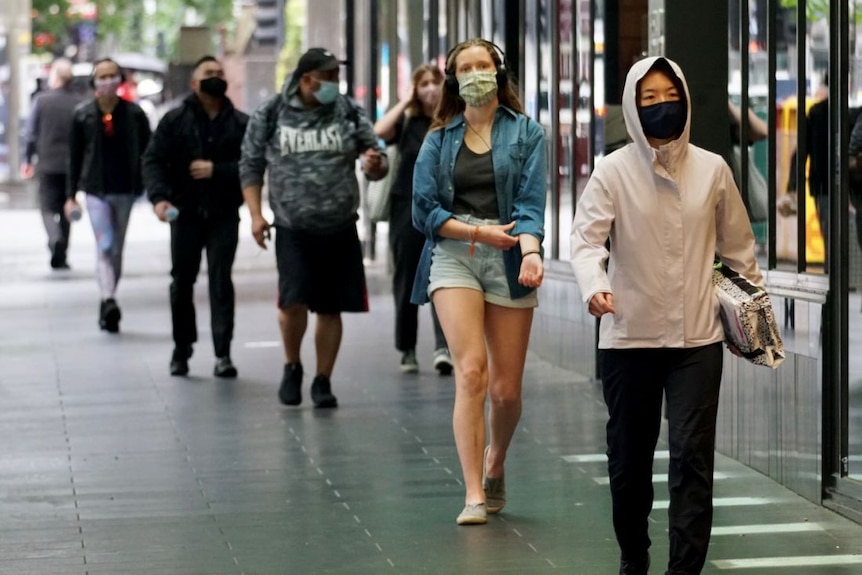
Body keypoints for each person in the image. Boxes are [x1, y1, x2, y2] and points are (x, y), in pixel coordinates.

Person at [570, 57, 762, 574]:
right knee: (630, 463)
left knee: (692, 460)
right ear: (633, 108)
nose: (660, 106)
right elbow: (586, 241)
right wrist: (595, 287)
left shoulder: (713, 169)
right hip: (629, 336)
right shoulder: (612, 170)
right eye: (648, 99)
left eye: (668, 95)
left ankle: (684, 570)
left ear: (685, 99)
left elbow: (740, 249)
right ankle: (635, 555)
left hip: (696, 340)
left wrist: (753, 314)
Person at [411, 39, 546, 525]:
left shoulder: (528, 134)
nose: (474, 75)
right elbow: (422, 211)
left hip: (510, 256)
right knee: (471, 372)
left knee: (506, 392)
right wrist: (475, 232)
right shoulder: (438, 139)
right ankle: (472, 493)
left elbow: (531, 206)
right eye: (464, 69)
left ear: (499, 71)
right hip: (454, 255)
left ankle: (495, 461)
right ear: (454, 80)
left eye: (481, 66)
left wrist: (530, 253)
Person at [239, 47, 388, 408]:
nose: (335, 84)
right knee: (293, 303)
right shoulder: (272, 112)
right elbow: (251, 164)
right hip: (293, 227)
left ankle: (323, 380)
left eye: (337, 76)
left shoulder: (349, 111)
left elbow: (377, 160)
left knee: (330, 307)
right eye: (330, 77)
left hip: (339, 225)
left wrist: (374, 164)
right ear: (307, 79)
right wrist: (257, 215)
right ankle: (292, 366)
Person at [142, 55, 249, 378]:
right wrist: (160, 199)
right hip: (185, 214)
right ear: (194, 82)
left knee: (220, 280)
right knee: (182, 282)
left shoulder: (241, 123)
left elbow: (252, 166)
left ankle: (223, 353)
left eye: (219, 73)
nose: (215, 77)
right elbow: (153, 160)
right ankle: (182, 348)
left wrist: (218, 170)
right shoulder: (174, 121)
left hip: (224, 214)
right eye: (208, 73)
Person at [373, 64, 452, 375]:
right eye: (423, 84)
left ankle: (443, 345)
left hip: (445, 207)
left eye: (435, 83)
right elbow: (379, 132)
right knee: (406, 277)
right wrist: (406, 102)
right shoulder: (407, 122)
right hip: (406, 208)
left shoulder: (451, 121)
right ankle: (407, 348)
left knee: (444, 274)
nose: (430, 89)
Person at [66, 58, 152, 333]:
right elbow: (74, 157)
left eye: (112, 75)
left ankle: (108, 296)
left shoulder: (135, 115)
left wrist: (152, 187)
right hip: (95, 190)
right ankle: (109, 299)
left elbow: (148, 153)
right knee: (105, 244)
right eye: (102, 76)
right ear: (94, 82)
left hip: (126, 189)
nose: (107, 81)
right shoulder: (82, 115)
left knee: (117, 248)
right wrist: (70, 195)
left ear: (120, 80)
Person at [21, 58, 81, 270]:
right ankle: (62, 252)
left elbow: (30, 134)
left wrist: (27, 159)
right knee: (68, 207)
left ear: (55, 77)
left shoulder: (41, 100)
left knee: (46, 207)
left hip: (46, 162)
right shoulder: (77, 103)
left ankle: (54, 237)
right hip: (71, 166)